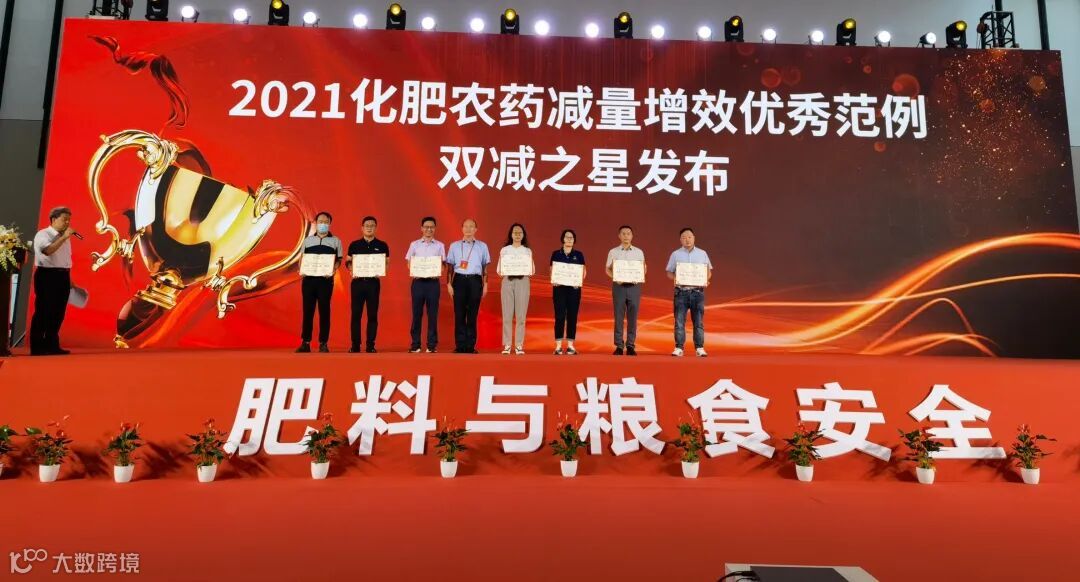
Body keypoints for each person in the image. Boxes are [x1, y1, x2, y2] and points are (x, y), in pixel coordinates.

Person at [29, 206, 76, 356]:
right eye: (64, 219)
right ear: (54, 219)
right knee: (43, 311)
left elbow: (63, 259)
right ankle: (37, 347)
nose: (67, 223)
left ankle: (52, 344)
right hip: (47, 276)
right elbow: (47, 251)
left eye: (69, 220)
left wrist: (68, 277)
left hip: (63, 276)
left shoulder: (64, 237)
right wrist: (63, 238)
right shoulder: (43, 234)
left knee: (58, 312)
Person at [297, 211, 342, 353]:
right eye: (320, 222)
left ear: (330, 224)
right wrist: (302, 269)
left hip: (325, 281)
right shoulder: (308, 240)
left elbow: (339, 260)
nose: (323, 224)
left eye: (326, 222)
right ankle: (305, 342)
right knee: (308, 311)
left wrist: (333, 269)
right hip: (309, 280)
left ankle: (323, 343)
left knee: (324, 310)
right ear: (316, 223)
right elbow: (302, 258)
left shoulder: (336, 241)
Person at [665, 228, 713, 357]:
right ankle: (679, 348)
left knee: (698, 322)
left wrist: (705, 279)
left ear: (694, 238)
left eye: (689, 237)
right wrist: (676, 278)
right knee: (679, 321)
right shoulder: (675, 254)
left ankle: (699, 348)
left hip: (697, 292)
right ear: (680, 239)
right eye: (684, 237)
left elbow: (708, 271)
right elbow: (669, 272)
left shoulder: (702, 253)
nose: (687, 239)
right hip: (681, 292)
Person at [345, 216, 389, 353]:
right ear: (362, 228)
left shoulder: (382, 245)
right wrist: (352, 269)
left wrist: (381, 270)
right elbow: (347, 261)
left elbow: (386, 263)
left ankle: (370, 345)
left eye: (372, 225)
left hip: (373, 284)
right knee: (356, 315)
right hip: (357, 283)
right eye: (367, 225)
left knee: (372, 315)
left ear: (376, 228)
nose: (369, 228)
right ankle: (355, 345)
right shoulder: (354, 245)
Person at [446, 218, 491, 354]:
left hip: (475, 280)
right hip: (459, 280)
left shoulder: (482, 246)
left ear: (476, 229)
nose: (468, 229)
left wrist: (485, 284)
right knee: (459, 313)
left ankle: (470, 346)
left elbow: (485, 268)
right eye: (466, 226)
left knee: (472, 314)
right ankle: (460, 345)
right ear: (462, 229)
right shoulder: (454, 246)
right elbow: (450, 267)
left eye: (471, 226)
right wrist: (449, 283)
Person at [405, 216, 445, 353]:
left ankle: (431, 345)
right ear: (421, 228)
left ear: (435, 229)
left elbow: (443, 264)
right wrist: (414, 269)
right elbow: (409, 262)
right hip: (418, 282)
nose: (429, 229)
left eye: (432, 227)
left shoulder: (440, 245)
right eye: (426, 227)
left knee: (432, 314)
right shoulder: (414, 244)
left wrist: (438, 270)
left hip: (433, 283)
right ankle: (415, 344)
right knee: (416, 313)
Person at [605, 225, 646, 356]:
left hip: (634, 287)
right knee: (618, 316)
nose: (626, 236)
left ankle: (630, 345)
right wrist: (615, 277)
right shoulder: (613, 252)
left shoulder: (639, 252)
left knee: (633, 317)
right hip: (619, 286)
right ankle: (618, 345)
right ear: (619, 236)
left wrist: (639, 276)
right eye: (623, 233)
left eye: (628, 233)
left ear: (632, 236)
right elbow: (607, 269)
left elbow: (643, 268)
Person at [497, 223, 535, 355]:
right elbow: (499, 270)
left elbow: (532, 270)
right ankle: (507, 344)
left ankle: (519, 345)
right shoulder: (505, 250)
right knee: (507, 315)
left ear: (523, 235)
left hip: (523, 281)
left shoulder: (527, 251)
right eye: (515, 232)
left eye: (520, 233)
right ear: (511, 234)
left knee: (521, 316)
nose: (517, 235)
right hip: (507, 281)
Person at [551, 229, 586, 355]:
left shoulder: (579, 255)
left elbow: (583, 271)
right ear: (563, 239)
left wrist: (579, 280)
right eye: (567, 237)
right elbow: (552, 269)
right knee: (559, 316)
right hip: (559, 289)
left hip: (574, 290)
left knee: (572, 316)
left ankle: (571, 346)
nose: (569, 239)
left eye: (572, 237)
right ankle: (558, 346)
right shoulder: (556, 254)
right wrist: (554, 279)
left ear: (574, 240)